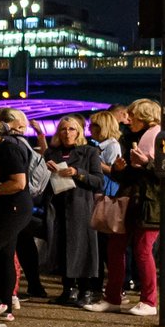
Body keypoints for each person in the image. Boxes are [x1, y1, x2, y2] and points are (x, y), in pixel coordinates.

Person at [90, 98, 164, 317]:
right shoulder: (137, 137)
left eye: (133, 115)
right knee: (116, 247)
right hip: (133, 199)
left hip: (150, 203)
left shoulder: (159, 137)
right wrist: (119, 170)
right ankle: (113, 297)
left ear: (145, 117)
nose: (128, 119)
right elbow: (131, 176)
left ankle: (149, 301)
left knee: (142, 250)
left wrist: (145, 164)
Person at [0, 109, 35, 322]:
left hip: (15, 208)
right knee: (5, 254)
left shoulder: (7, 149)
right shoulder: (5, 147)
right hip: (12, 208)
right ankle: (7, 306)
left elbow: (19, 182)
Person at [42, 115, 103, 307]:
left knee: (83, 248)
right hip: (58, 205)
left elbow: (98, 181)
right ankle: (68, 289)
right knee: (61, 247)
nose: (67, 133)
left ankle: (86, 290)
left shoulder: (89, 152)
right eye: (63, 129)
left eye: (71, 129)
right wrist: (46, 170)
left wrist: (78, 173)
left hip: (80, 206)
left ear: (79, 132)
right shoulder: (52, 153)